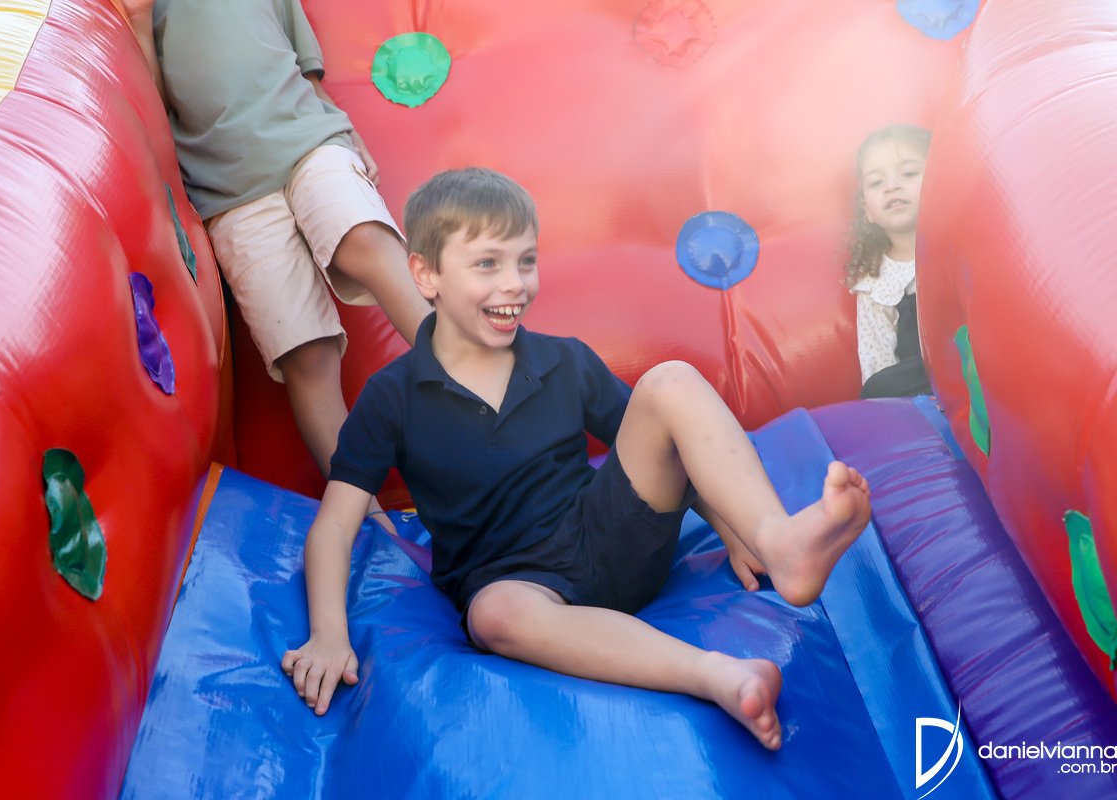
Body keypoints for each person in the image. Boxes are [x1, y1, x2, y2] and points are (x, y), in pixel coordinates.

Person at [281, 169, 873, 750]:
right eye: (487, 264)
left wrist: (730, 527)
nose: (514, 284)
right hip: (513, 580)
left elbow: (670, 442)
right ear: (425, 274)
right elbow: (334, 526)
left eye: (526, 261)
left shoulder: (563, 360)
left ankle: (777, 541)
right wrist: (329, 634)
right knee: (493, 616)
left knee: (669, 382)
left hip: (612, 540)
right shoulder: (393, 396)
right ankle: (721, 676)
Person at [119, 0, 432, 528]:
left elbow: (305, 69)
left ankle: (485, 389)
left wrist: (345, 127)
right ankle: (372, 525)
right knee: (306, 354)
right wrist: (140, 26)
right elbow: (153, 109)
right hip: (230, 191)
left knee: (364, 242)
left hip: (310, 142)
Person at [844, 125, 934, 399]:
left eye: (908, 173)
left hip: (973, 358)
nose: (892, 186)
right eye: (876, 182)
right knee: (878, 387)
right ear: (867, 211)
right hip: (925, 381)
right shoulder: (876, 285)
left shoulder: (963, 245)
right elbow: (879, 365)